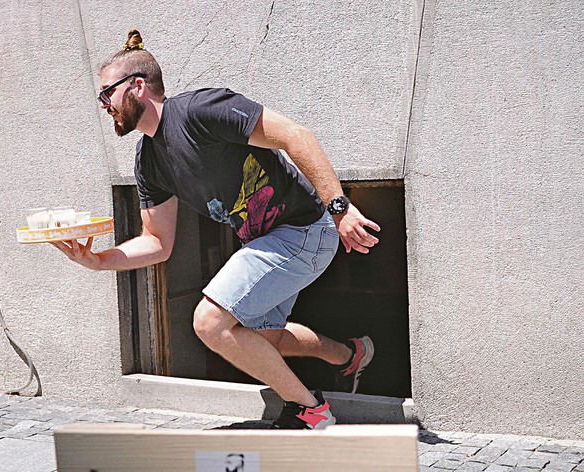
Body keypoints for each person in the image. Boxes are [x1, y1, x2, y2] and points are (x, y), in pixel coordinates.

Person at [52, 30, 380, 430]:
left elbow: (296, 137)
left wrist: (339, 207)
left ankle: (309, 409)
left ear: (137, 86)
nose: (104, 105)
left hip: (304, 229)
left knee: (209, 322)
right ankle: (349, 355)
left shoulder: (201, 111)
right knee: (262, 341)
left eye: (107, 93)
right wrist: (97, 260)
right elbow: (157, 242)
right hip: (265, 241)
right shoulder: (149, 161)